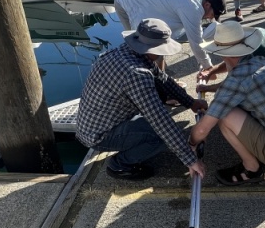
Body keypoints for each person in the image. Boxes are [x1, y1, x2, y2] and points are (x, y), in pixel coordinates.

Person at [76, 18, 207, 181]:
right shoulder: (136, 73)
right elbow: (160, 120)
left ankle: (131, 144)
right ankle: (120, 165)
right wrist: (190, 159)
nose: (163, 53)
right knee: (160, 135)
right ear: (152, 48)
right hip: (99, 134)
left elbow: (163, 79)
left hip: (93, 123)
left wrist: (191, 102)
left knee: (159, 94)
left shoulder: (127, 52)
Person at [188, 21, 265, 186]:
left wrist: (191, 143)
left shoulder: (237, 79)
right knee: (231, 107)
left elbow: (203, 128)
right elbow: (231, 87)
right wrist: (210, 88)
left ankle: (251, 169)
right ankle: (262, 153)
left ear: (222, 53)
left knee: (225, 115)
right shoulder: (260, 61)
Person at [114, 0, 226, 72]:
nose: (210, 18)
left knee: (154, 41)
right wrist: (208, 68)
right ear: (207, 5)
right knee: (140, 44)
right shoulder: (192, 6)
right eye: (213, 14)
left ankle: (160, 77)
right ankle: (141, 81)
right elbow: (196, 42)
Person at [196, 20, 265, 93]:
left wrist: (206, 88)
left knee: (231, 110)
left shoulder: (252, 52)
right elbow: (232, 59)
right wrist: (211, 71)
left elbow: (233, 84)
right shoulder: (247, 39)